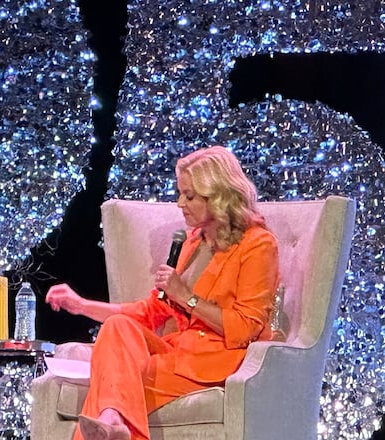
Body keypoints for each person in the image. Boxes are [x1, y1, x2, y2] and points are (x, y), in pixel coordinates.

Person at [46, 146, 279, 440]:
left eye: (190, 196)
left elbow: (245, 327)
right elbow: (150, 311)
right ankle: (112, 422)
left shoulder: (258, 245)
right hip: (175, 350)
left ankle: (112, 422)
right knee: (118, 328)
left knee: (110, 383)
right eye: (180, 193)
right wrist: (81, 306)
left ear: (218, 197)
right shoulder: (194, 242)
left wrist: (187, 297)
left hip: (212, 362)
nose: (180, 203)